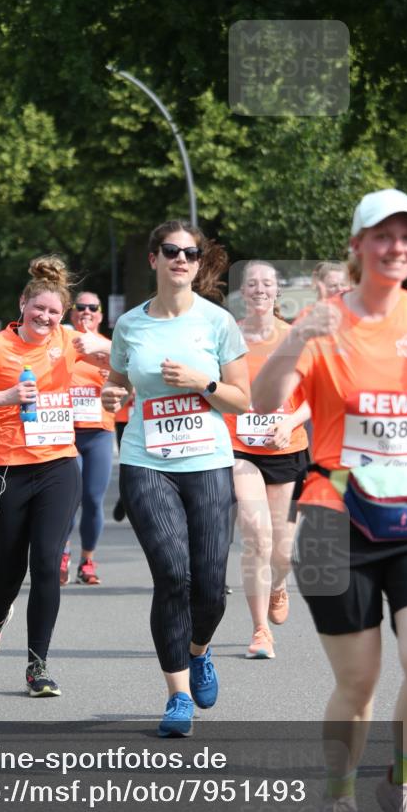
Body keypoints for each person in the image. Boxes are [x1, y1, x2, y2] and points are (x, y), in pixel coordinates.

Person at [252, 188, 407, 812]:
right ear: (356, 246)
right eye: (382, 236)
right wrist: (293, 339)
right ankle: (338, 797)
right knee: (357, 682)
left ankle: (406, 785)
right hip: (332, 516)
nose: (396, 248)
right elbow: (265, 407)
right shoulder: (322, 323)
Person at [101, 221, 250, 736]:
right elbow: (116, 386)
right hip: (146, 462)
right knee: (172, 576)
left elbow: (241, 398)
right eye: (171, 251)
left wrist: (202, 381)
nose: (182, 259)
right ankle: (178, 695)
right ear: (154, 260)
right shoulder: (130, 326)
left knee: (210, 588)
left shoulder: (218, 322)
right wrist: (113, 398)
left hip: (208, 461)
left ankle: (199, 651)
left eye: (191, 252)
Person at [0, 256, 108, 697]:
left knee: (46, 566)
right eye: (39, 309)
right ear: (23, 304)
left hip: (58, 466)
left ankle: (38, 667)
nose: (46, 318)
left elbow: (117, 356)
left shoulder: (68, 340)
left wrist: (113, 371)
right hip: (4, 472)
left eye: (54, 312)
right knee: (9, 571)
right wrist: (8, 395)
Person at [224, 261, 310, 659]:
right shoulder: (228, 337)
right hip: (240, 448)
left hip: (286, 447)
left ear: (277, 292)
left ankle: (278, 585)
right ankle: (260, 631)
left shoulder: (294, 337)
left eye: (267, 283)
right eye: (252, 283)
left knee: (281, 550)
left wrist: (289, 421)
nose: (260, 289)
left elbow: (316, 394)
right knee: (256, 535)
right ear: (243, 291)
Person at [60, 291, 114, 586]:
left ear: (101, 314)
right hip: (66, 433)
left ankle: (88, 559)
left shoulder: (109, 347)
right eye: (80, 307)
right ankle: (63, 554)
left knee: (93, 500)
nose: (86, 311)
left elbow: (126, 388)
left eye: (93, 307)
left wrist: (115, 386)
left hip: (99, 432)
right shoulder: (62, 345)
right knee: (69, 499)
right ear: (72, 314)